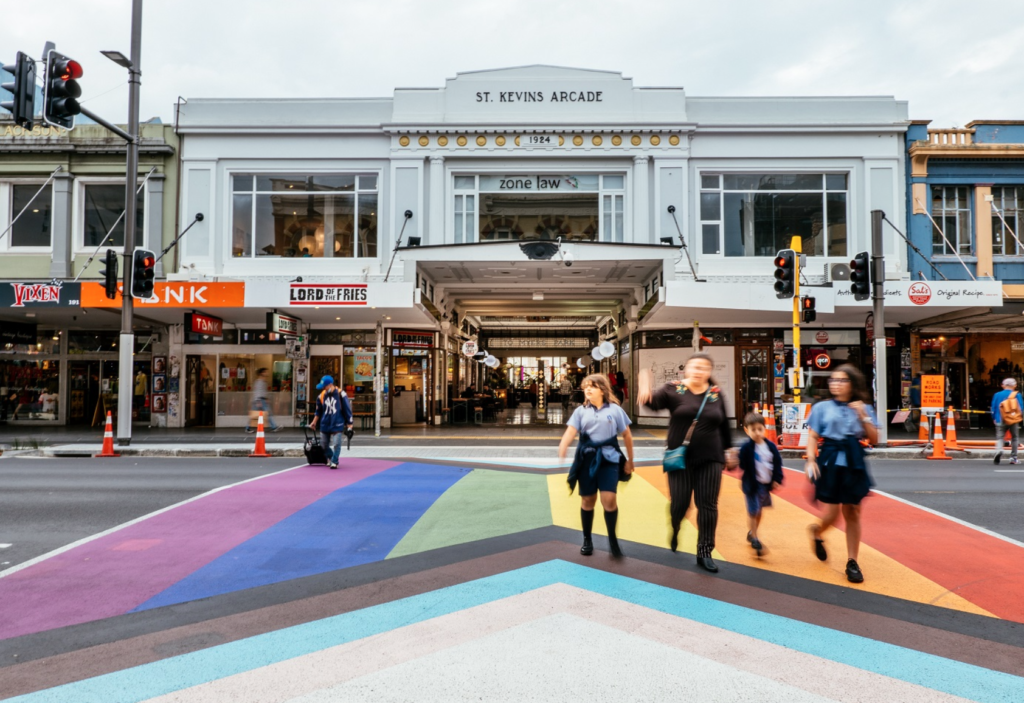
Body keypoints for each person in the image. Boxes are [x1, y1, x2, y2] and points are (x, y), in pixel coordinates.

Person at [638, 352, 737, 573]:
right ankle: (675, 526)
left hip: (711, 457)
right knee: (679, 503)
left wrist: (729, 450)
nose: (699, 371)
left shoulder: (715, 394)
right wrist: (644, 387)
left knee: (708, 505)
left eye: (704, 368)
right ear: (686, 370)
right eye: (695, 367)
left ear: (709, 372)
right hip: (679, 458)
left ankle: (704, 551)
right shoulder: (673, 389)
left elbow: (723, 425)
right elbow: (652, 404)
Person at [805, 364, 879, 584]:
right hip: (830, 458)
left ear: (852, 384)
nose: (835, 384)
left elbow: (874, 439)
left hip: (854, 458)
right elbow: (812, 436)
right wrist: (811, 460)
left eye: (841, 380)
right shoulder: (821, 407)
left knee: (853, 511)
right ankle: (817, 533)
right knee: (831, 514)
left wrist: (863, 415)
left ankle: (852, 561)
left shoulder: (863, 407)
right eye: (833, 380)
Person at [558, 374, 634, 557]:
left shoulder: (615, 410)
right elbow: (570, 432)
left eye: (592, 386)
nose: (588, 390)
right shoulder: (580, 411)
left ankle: (613, 540)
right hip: (587, 461)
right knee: (587, 501)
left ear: (603, 389)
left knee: (609, 500)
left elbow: (627, 435)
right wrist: (563, 446)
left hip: (610, 460)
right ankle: (587, 539)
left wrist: (631, 460)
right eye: (586, 387)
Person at [732, 411, 783, 557]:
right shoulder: (746, 448)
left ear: (764, 429)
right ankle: (755, 538)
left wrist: (776, 479)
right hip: (752, 486)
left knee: (759, 511)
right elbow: (742, 464)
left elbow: (777, 463)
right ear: (746, 430)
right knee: (753, 511)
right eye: (753, 430)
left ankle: (751, 533)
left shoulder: (770, 447)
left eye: (760, 429)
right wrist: (735, 459)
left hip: (765, 485)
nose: (757, 432)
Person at [310, 375, 353, 469]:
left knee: (337, 443)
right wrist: (314, 422)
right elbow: (318, 411)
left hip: (337, 422)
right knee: (323, 445)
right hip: (325, 423)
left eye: (324, 387)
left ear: (330, 385)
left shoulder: (341, 394)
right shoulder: (321, 396)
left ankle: (334, 461)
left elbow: (347, 410)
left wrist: (350, 425)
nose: (323, 389)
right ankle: (331, 457)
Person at [991, 378, 1021, 465]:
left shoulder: (997, 394)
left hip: (1000, 418)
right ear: (1014, 385)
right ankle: (1013, 457)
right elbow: (1021, 408)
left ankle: (999, 450)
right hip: (1013, 419)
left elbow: (993, 408)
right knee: (1014, 438)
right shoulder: (1017, 395)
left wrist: (994, 418)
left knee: (1000, 437)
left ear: (1003, 385)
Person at [246, 368, 281, 433]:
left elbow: (263, 392)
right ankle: (248, 428)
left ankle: (274, 427)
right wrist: (258, 401)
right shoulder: (259, 382)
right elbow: (257, 392)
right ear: (262, 373)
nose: (267, 373)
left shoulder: (263, 381)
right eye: (265, 372)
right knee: (255, 414)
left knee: (267, 413)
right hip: (259, 400)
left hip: (262, 400)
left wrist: (266, 398)